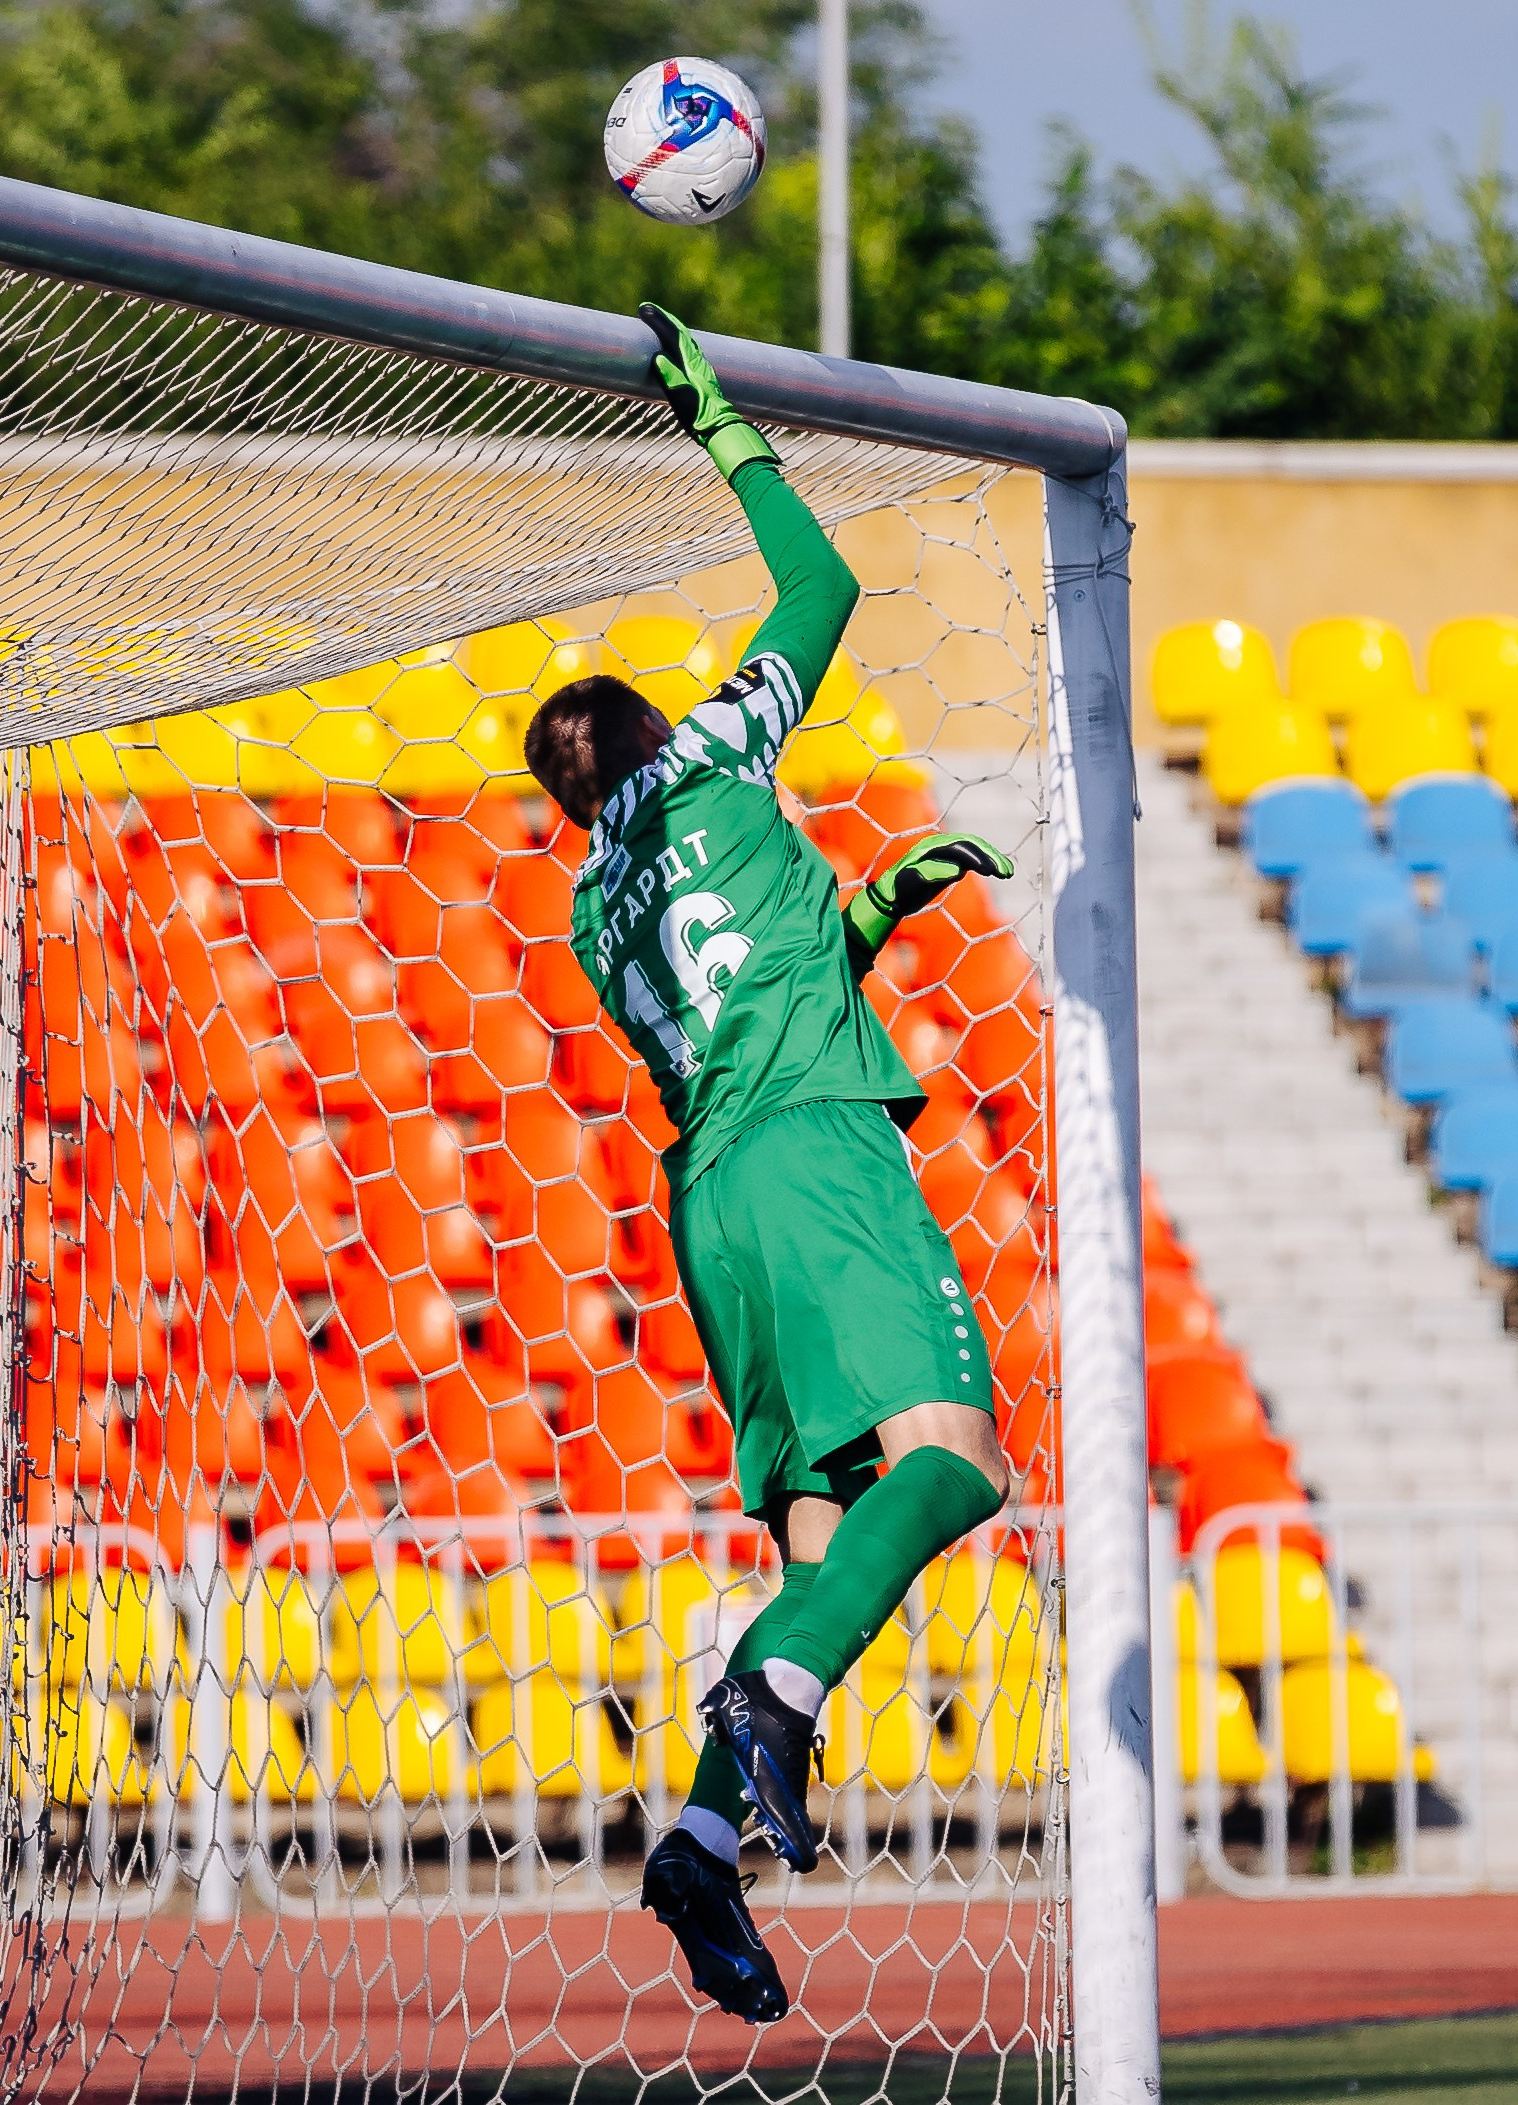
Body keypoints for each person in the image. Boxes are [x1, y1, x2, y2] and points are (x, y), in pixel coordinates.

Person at [520, 306, 1015, 2027]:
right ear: (665, 730)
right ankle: (767, 1702)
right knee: (958, 1466)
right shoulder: (716, 758)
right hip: (814, 1161)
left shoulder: (590, 907)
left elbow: (753, 998)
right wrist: (722, 420)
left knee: (821, 1534)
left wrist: (872, 912)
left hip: (712, 1211)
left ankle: (703, 1841)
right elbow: (825, 593)